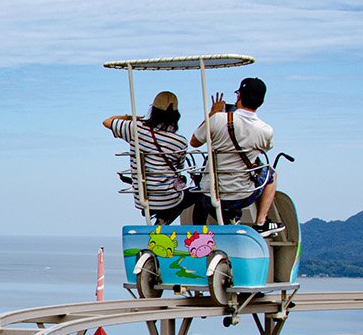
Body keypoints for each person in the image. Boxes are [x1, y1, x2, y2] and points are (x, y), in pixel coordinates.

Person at [190, 76, 280, 232]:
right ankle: (261, 222)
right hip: (241, 196)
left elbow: (194, 142)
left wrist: (212, 113)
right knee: (271, 173)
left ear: (239, 96)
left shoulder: (217, 119)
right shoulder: (265, 130)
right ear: (262, 102)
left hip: (209, 194)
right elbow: (264, 149)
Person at [103, 91, 194, 224]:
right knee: (198, 195)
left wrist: (131, 118)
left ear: (153, 111)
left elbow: (107, 122)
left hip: (143, 197)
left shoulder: (136, 129)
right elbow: (179, 167)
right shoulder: (180, 142)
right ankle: (169, 220)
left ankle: (162, 219)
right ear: (176, 115)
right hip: (169, 199)